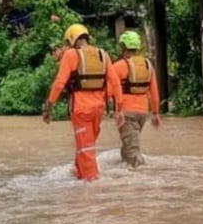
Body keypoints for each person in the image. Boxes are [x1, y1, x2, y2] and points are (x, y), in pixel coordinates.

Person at [43, 24, 123, 181]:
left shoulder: (71, 55)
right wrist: (119, 108)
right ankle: (79, 174)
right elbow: (115, 82)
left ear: (72, 39)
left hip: (81, 110)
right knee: (87, 145)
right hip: (98, 109)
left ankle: (91, 185)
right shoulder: (102, 55)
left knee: (86, 148)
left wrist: (49, 105)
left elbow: (60, 82)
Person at [112, 30, 161, 168]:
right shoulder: (147, 65)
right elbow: (154, 92)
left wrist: (115, 109)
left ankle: (139, 176)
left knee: (132, 149)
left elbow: (109, 89)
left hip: (126, 113)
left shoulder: (118, 66)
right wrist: (156, 113)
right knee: (129, 143)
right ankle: (125, 169)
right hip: (143, 113)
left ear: (122, 47)